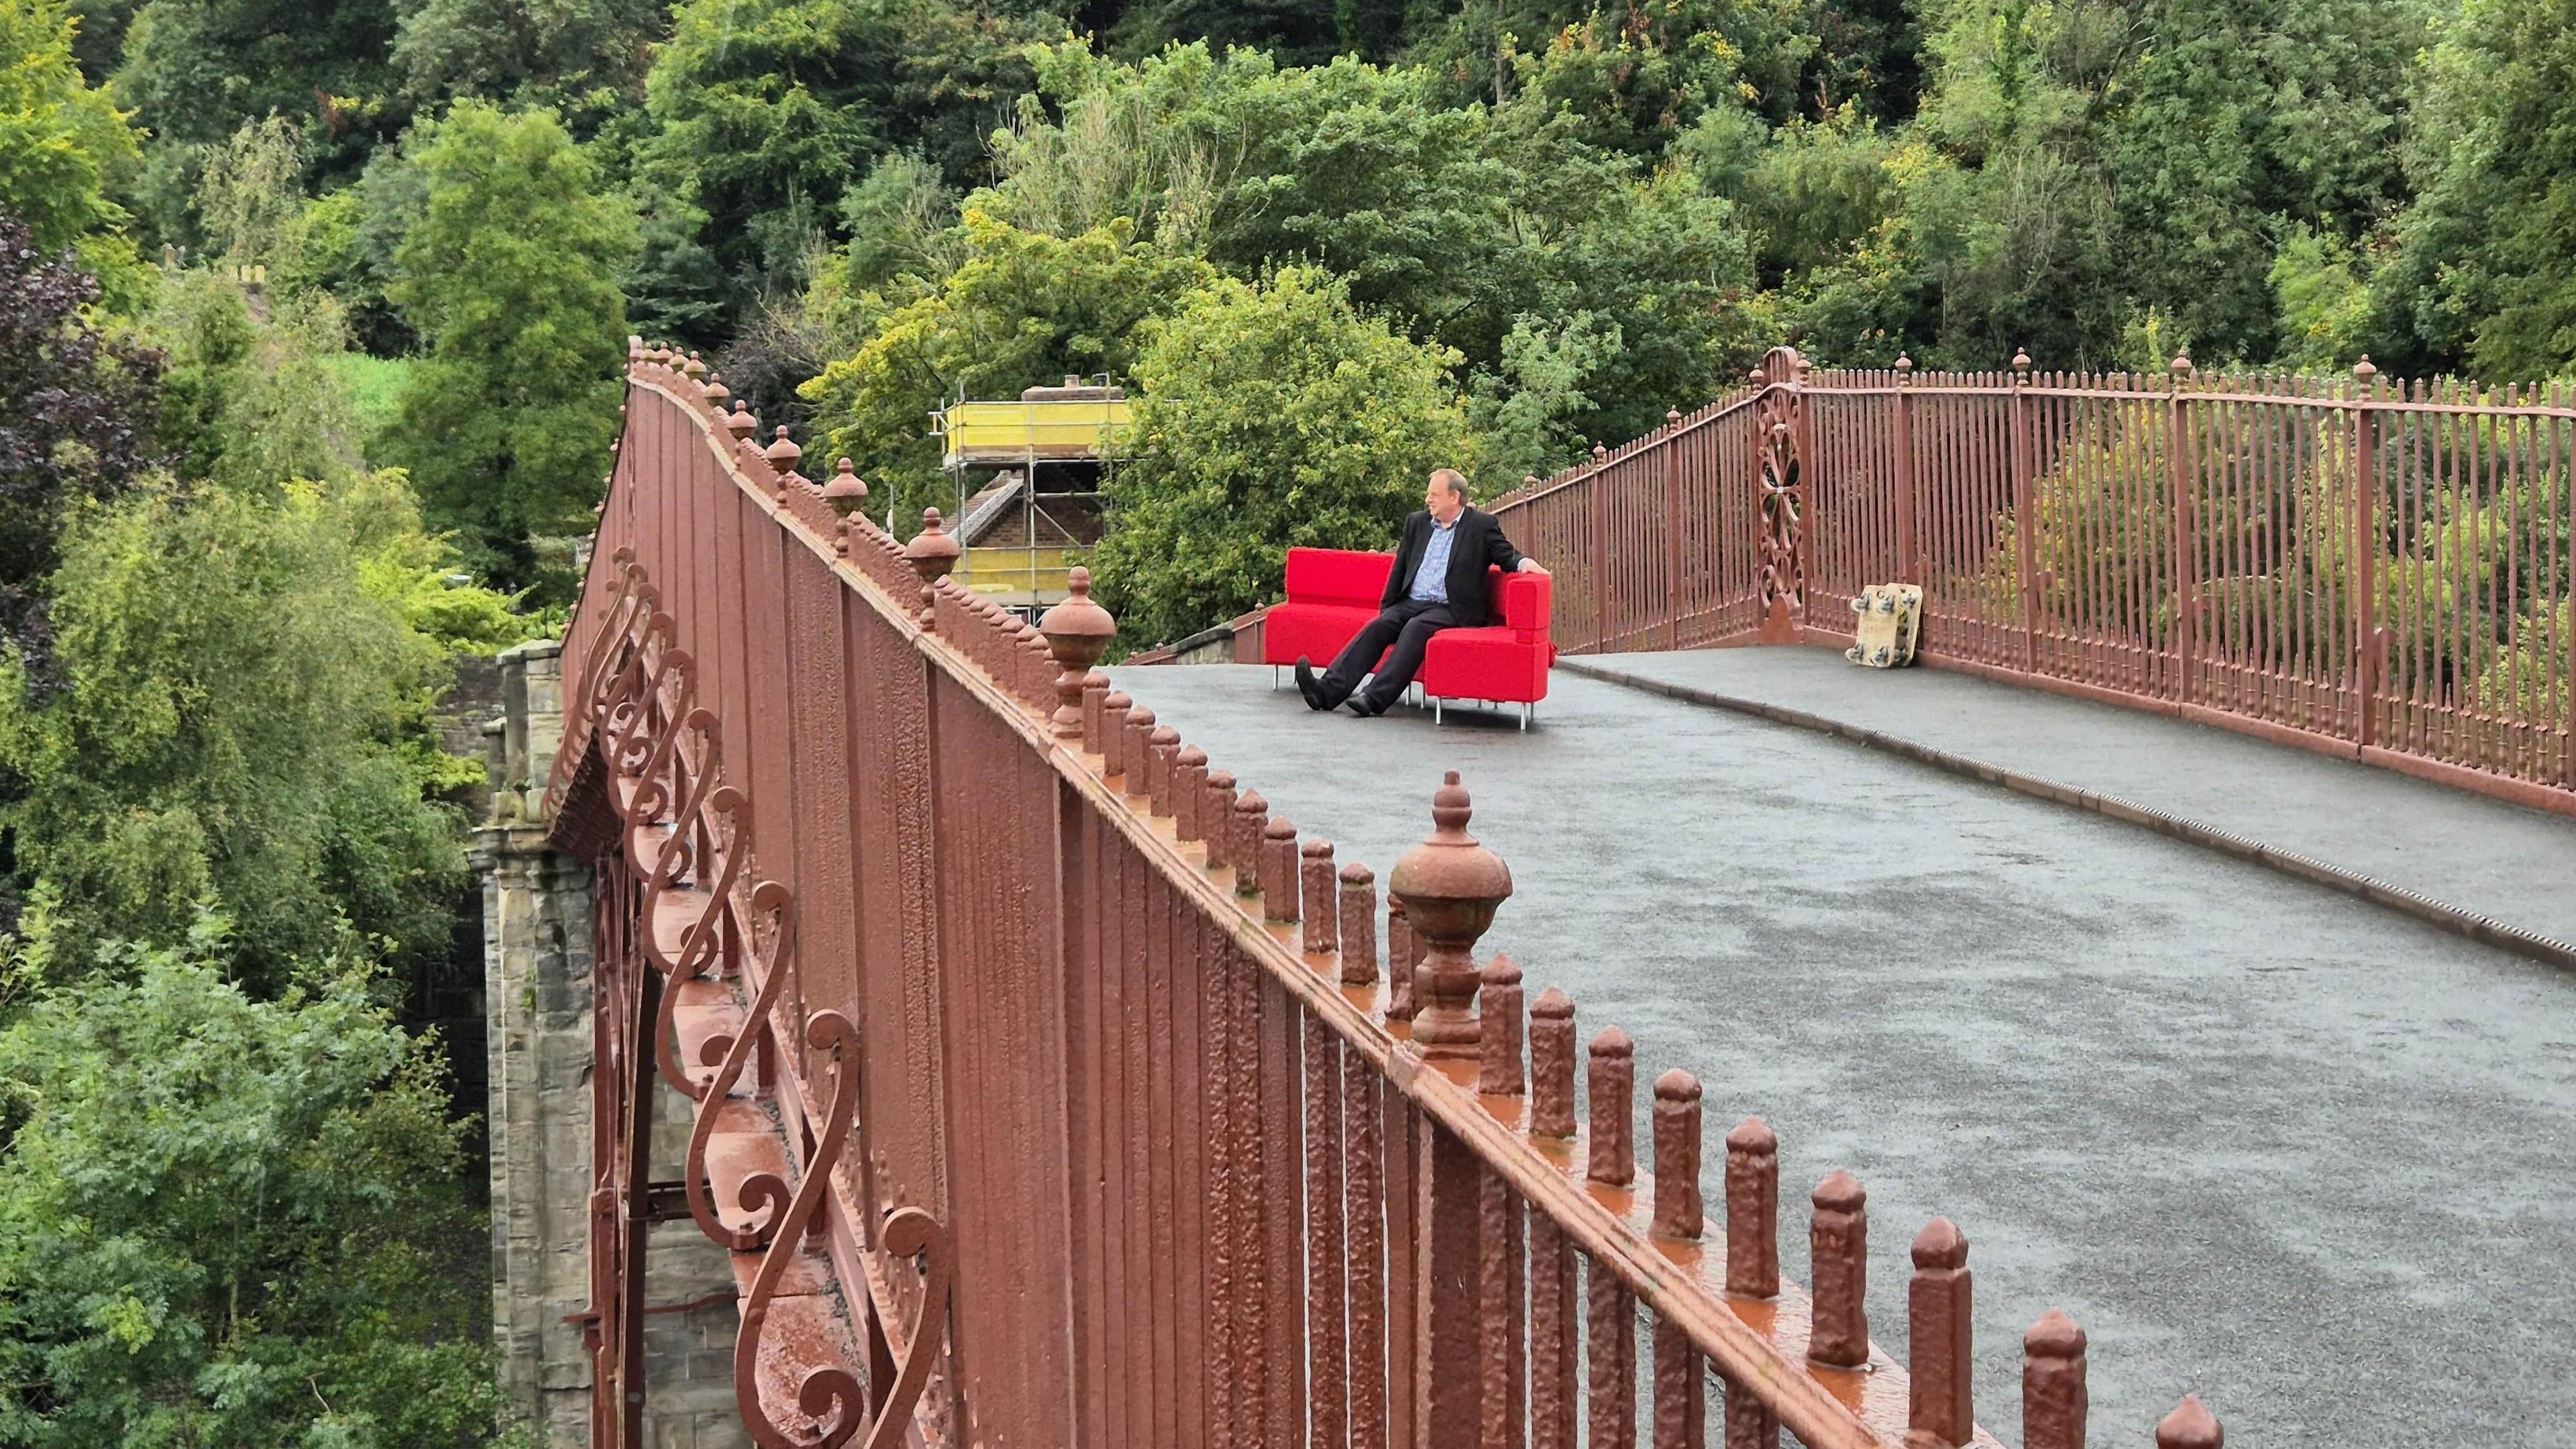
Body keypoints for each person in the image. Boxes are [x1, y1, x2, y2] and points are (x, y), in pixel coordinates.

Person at [1296, 468, 1545, 717]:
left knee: (1417, 627)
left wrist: (1526, 565)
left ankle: (1373, 698)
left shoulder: (1481, 526)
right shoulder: (1417, 523)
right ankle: (1325, 692)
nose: (1428, 500)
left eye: (1435, 494)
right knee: (1379, 626)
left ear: (1454, 497)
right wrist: (1389, 606)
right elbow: (1400, 567)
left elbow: (1506, 555)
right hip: (1412, 601)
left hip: (1452, 608)